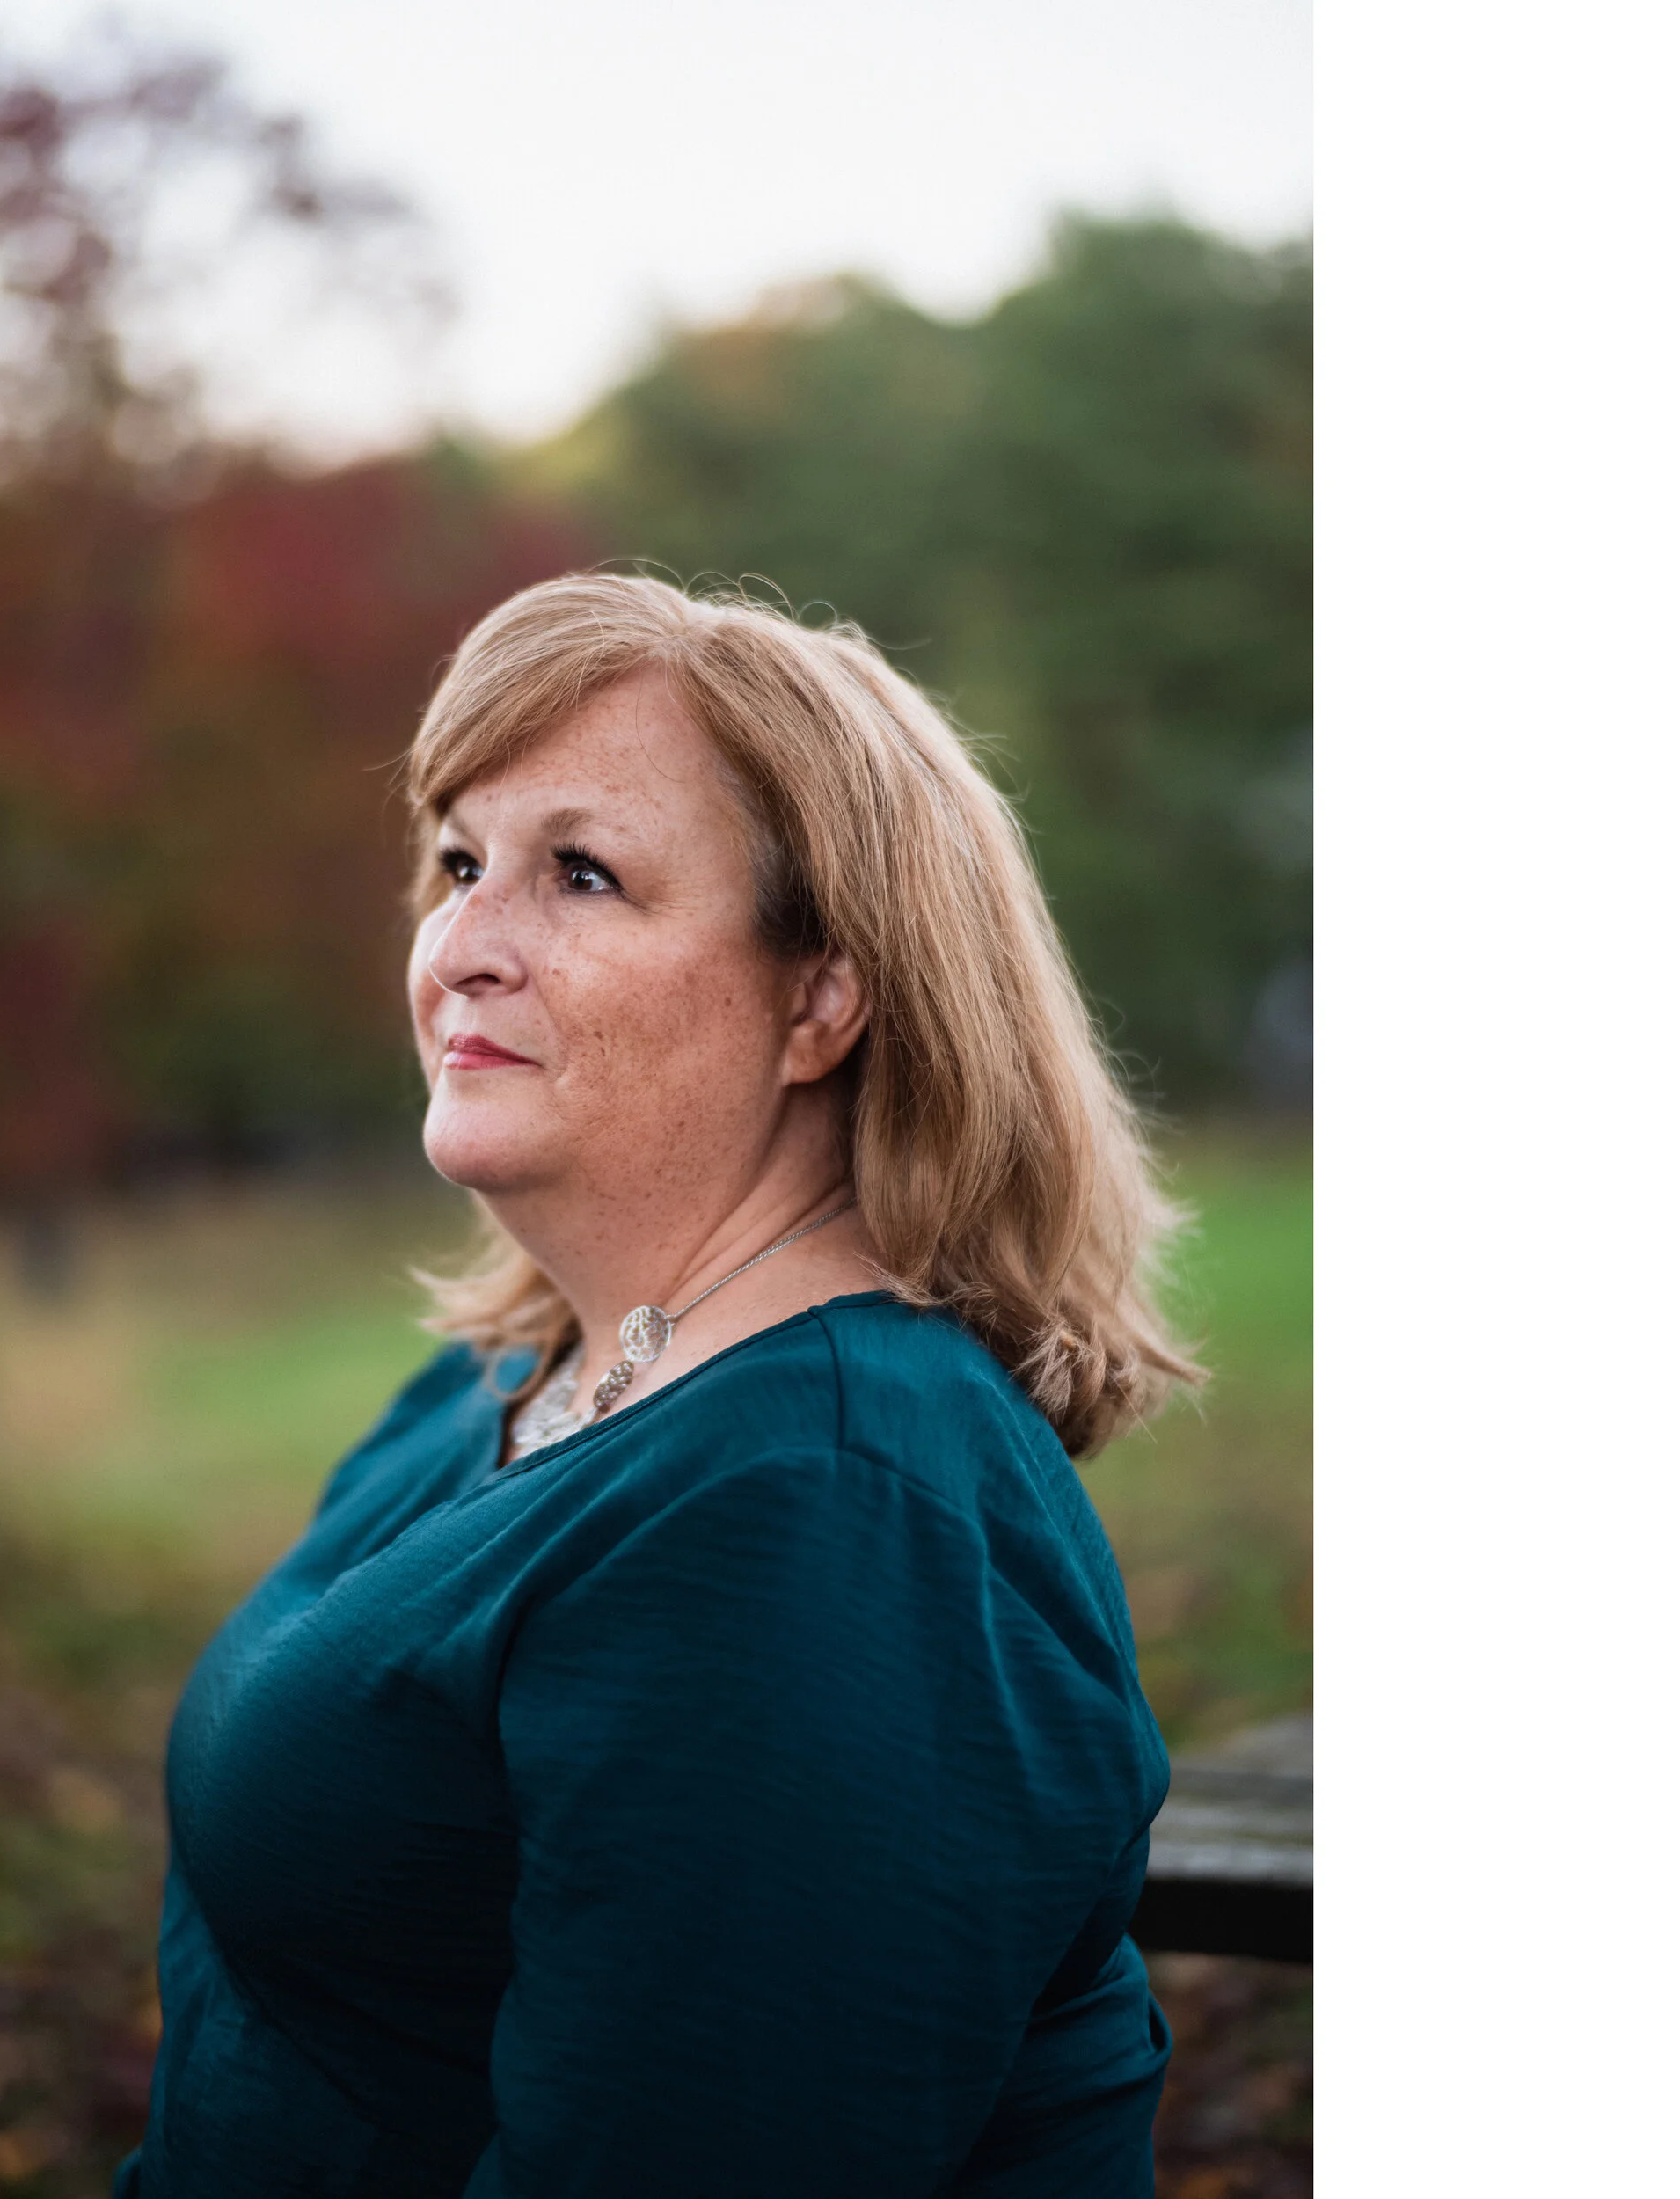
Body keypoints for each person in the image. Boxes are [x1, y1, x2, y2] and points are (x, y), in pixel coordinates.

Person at [114, 573, 1202, 2198]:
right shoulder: (516, 1375)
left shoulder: (826, 1505)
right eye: (461, 864)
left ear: (821, 997)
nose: (464, 950)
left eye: (582, 875)